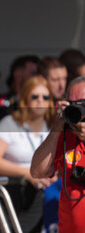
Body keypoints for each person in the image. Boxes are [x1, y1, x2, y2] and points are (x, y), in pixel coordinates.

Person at [0, 76, 55, 233]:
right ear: (25, 99)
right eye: (35, 96)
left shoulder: (52, 127)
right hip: (13, 191)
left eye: (45, 97)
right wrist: (27, 172)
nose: (40, 101)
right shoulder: (9, 123)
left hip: (43, 193)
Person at [31, 76, 85, 233]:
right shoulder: (65, 135)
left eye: (83, 103)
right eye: (73, 104)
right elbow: (37, 171)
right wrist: (56, 128)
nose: (79, 110)